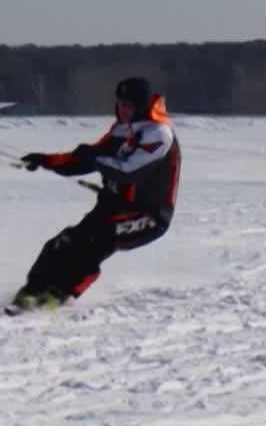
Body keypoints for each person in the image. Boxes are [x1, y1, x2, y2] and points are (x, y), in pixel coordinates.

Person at [14, 76, 182, 310]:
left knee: (94, 243)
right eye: (120, 104)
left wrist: (94, 158)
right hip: (112, 209)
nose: (123, 110)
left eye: (129, 106)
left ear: (141, 106)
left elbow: (128, 171)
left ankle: (58, 295)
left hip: (148, 216)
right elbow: (84, 160)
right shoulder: (120, 130)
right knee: (62, 243)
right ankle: (30, 292)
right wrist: (46, 160)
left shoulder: (158, 134)